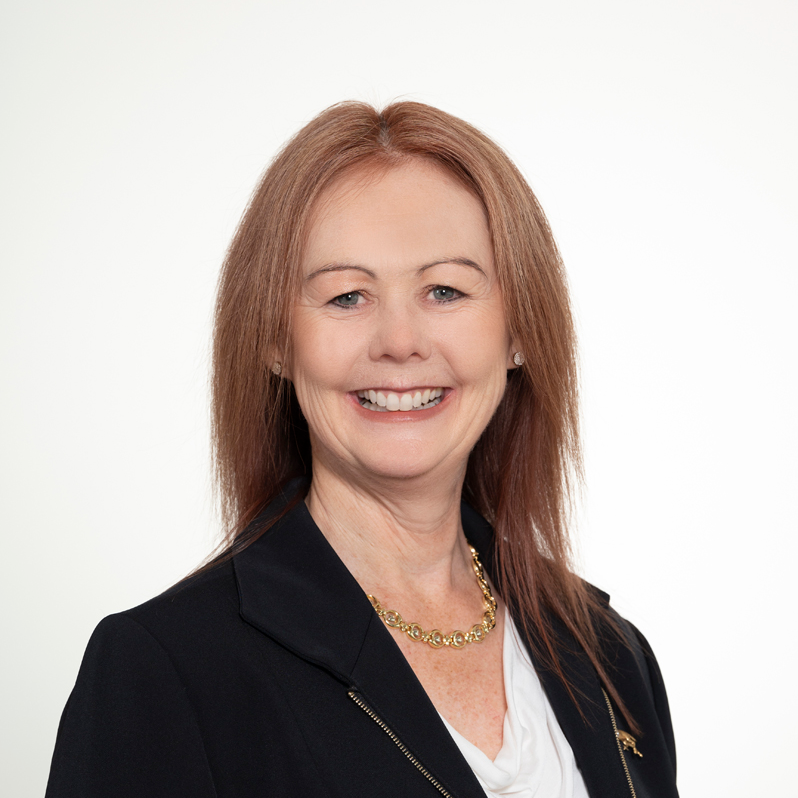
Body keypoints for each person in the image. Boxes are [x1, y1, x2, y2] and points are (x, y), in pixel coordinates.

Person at [45, 101, 678, 798]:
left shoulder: (611, 656)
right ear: (277, 340)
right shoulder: (164, 670)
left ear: (519, 330)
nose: (399, 341)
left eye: (445, 290)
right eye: (347, 297)